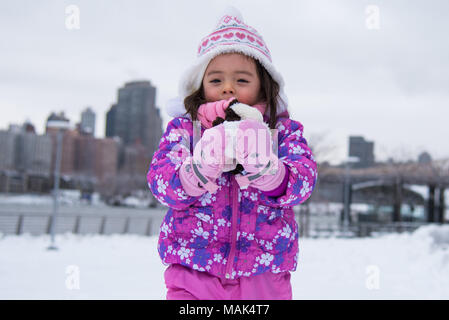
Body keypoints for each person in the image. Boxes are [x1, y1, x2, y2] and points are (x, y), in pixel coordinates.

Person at [147, 7, 317, 300]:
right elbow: (161, 182)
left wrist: (270, 171)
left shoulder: (281, 131)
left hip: (264, 271)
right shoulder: (185, 130)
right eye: (216, 80)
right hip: (193, 266)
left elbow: (304, 180)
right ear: (199, 86)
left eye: (241, 80)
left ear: (263, 85)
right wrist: (196, 168)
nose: (228, 88)